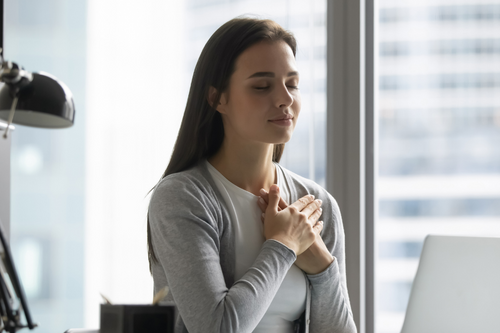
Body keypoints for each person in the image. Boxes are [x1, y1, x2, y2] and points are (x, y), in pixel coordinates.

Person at [147, 17, 357, 333]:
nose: (285, 98)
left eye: (293, 84)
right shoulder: (182, 197)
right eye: (262, 86)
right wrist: (284, 245)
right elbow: (216, 328)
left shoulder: (316, 205)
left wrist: (323, 269)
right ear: (218, 98)